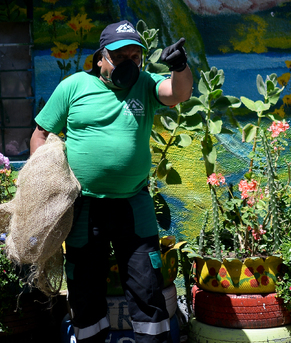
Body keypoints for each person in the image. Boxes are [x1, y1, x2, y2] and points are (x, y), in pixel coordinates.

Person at [30, 20, 193, 343]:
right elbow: (41, 133)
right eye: (120, 57)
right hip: (84, 207)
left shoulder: (145, 84)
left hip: (133, 205)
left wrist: (179, 66)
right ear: (100, 59)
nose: (129, 64)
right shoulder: (73, 87)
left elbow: (178, 92)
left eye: (135, 57)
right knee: (84, 292)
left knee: (147, 289)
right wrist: (44, 183)